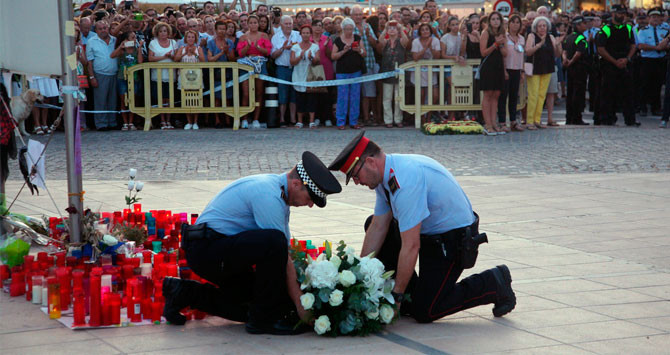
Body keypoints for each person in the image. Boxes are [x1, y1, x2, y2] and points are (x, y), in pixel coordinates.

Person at [328, 131, 516, 324]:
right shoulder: (385, 177)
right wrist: (358, 274)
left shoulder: (405, 180)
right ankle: (411, 292)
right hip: (429, 235)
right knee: (372, 224)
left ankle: (493, 282)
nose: (357, 182)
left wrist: (397, 297)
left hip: (452, 240)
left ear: (370, 162)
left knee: (426, 310)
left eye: (355, 175)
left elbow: (411, 245)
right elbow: (378, 226)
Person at [163, 152, 341, 335]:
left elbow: (285, 253)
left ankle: (184, 292)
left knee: (250, 304)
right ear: (296, 184)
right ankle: (263, 321)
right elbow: (279, 251)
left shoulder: (278, 192)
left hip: (218, 249)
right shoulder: (269, 195)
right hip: (207, 250)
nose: (310, 205)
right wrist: (301, 304)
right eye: (310, 198)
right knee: (274, 243)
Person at [596, 5, 639, 126]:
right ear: (613, 14)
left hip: (625, 64)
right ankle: (607, 119)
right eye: (620, 13)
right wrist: (615, 62)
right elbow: (600, 48)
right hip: (609, 65)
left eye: (624, 14)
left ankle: (630, 119)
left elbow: (633, 45)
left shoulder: (629, 29)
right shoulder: (606, 29)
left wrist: (627, 59)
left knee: (628, 93)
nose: (622, 16)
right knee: (608, 93)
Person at [524, 16, 561, 130]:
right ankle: (529, 121)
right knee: (533, 95)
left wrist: (558, 44)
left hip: (547, 68)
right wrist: (539, 44)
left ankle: (537, 120)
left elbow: (557, 55)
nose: (542, 28)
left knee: (541, 95)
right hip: (535, 69)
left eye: (544, 26)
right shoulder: (532, 36)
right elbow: (528, 52)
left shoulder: (551, 37)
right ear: (535, 27)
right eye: (539, 26)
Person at [237, 15, 272, 129]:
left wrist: (258, 48)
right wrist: (248, 46)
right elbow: (240, 53)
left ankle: (256, 119)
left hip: (260, 63)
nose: (253, 25)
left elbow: (267, 52)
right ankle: (245, 119)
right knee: (246, 93)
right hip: (246, 64)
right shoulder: (243, 37)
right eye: (251, 23)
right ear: (247, 24)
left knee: (259, 92)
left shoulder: (264, 35)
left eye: (255, 22)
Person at [331, 17, 366, 129]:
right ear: (343, 29)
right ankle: (340, 121)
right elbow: (333, 56)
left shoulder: (357, 38)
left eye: (351, 29)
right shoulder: (337, 40)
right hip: (342, 72)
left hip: (356, 71)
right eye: (347, 29)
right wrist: (344, 51)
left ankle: (353, 121)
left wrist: (359, 50)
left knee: (355, 97)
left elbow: (364, 53)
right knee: (342, 97)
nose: (349, 31)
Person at [478, 11, 507, 136]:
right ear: (489, 21)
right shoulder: (485, 33)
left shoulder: (502, 34)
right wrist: (495, 44)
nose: (495, 21)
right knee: (488, 94)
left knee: (496, 94)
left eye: (498, 19)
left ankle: (494, 123)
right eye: (493, 19)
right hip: (488, 66)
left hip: (498, 66)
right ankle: (488, 124)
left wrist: (500, 45)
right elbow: (483, 52)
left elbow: (505, 53)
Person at [86, 21, 119, 131]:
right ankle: (101, 124)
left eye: (105, 27)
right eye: (100, 28)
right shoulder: (92, 42)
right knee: (101, 101)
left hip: (114, 73)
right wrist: (92, 77)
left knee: (112, 101)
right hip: (100, 74)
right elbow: (89, 62)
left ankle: (112, 122)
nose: (103, 30)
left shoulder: (115, 40)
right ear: (96, 30)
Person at [637, 8, 669, 118]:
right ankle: (643, 107)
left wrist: (663, 47)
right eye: (653, 17)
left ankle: (656, 107)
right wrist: (656, 47)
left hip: (660, 60)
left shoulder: (665, 30)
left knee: (658, 84)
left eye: (657, 17)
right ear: (649, 18)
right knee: (645, 84)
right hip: (647, 60)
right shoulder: (643, 30)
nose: (655, 19)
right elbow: (641, 45)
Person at [271, 15, 301, 127]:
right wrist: (283, 48)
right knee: (282, 94)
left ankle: (293, 119)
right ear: (281, 25)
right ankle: (282, 118)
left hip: (296, 67)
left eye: (290, 23)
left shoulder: (298, 35)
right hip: (282, 68)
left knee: (294, 94)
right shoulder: (276, 37)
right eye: (286, 24)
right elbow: (273, 55)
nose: (288, 26)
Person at [111, 31, 143, 131]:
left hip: (134, 77)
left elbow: (140, 62)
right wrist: (121, 46)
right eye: (132, 37)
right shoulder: (122, 51)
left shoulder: (136, 50)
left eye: (135, 37)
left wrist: (140, 49)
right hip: (122, 78)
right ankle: (125, 122)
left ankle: (131, 122)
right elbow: (112, 55)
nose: (134, 39)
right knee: (123, 100)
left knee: (132, 100)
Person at [379, 20, 409, 128]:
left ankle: (398, 119)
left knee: (398, 98)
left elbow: (406, 41)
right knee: (387, 98)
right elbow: (380, 40)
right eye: (390, 28)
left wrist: (401, 29)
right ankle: (388, 120)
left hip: (399, 74)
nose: (392, 30)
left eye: (394, 28)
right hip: (387, 73)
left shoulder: (400, 41)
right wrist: (385, 28)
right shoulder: (386, 42)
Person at [498, 14, 525, 131]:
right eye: (513, 22)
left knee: (514, 96)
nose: (515, 24)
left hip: (517, 69)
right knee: (503, 96)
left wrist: (522, 71)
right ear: (509, 24)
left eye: (517, 22)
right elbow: (502, 55)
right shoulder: (504, 37)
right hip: (506, 68)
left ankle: (513, 121)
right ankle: (502, 121)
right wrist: (503, 70)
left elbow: (523, 56)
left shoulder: (522, 38)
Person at [148, 22, 177, 130]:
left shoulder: (173, 42)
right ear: (157, 33)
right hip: (158, 75)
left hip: (171, 75)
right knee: (160, 99)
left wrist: (171, 56)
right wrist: (164, 57)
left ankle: (169, 120)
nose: (163, 33)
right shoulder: (153, 43)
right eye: (160, 31)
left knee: (169, 99)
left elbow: (177, 58)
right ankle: (162, 120)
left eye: (165, 31)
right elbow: (150, 59)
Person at [290, 25, 320, 129]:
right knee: (299, 98)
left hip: (311, 76)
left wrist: (311, 57)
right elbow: (292, 62)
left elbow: (318, 61)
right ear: (300, 34)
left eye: (307, 33)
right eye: (304, 33)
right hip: (298, 75)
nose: (306, 35)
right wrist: (300, 57)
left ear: (310, 34)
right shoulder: (295, 47)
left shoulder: (315, 47)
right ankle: (300, 121)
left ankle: (311, 121)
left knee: (311, 98)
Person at [174, 30, 205, 130]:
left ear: (195, 39)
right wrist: (185, 53)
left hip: (196, 77)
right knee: (185, 98)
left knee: (196, 98)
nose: (190, 39)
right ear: (185, 39)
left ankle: (195, 121)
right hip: (184, 77)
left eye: (192, 37)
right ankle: (189, 121)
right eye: (189, 37)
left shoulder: (198, 48)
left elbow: (203, 60)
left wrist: (194, 54)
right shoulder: (182, 48)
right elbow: (176, 59)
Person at [411, 23, 441, 125]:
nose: (425, 31)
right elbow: (415, 58)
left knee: (435, 96)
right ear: (419, 32)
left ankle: (429, 116)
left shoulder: (435, 40)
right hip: (419, 72)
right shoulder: (415, 42)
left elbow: (437, 56)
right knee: (421, 96)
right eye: (422, 30)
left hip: (431, 72)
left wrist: (431, 47)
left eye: (427, 29)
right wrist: (425, 47)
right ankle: (421, 119)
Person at [207, 20, 236, 128]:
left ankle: (228, 120)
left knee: (228, 97)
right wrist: (221, 53)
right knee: (216, 97)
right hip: (215, 73)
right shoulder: (211, 42)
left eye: (224, 29)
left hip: (227, 72)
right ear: (215, 30)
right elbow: (210, 59)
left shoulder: (229, 42)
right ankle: (217, 120)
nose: (222, 31)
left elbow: (232, 59)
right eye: (220, 29)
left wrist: (227, 52)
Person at [562, 16, 590, 125]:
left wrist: (565, 60)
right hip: (579, 68)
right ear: (578, 25)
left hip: (570, 69)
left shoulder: (568, 37)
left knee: (570, 92)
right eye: (583, 23)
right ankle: (577, 118)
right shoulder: (581, 38)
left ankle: (569, 118)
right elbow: (578, 53)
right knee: (578, 94)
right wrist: (571, 61)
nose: (585, 25)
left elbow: (564, 51)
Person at [311, 19, 335, 127]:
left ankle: (327, 117)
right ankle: (317, 117)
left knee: (327, 95)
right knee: (315, 95)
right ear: (311, 27)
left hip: (326, 69)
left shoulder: (327, 39)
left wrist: (325, 47)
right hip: (313, 70)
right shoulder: (309, 39)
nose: (318, 27)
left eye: (320, 25)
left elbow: (331, 56)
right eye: (315, 25)